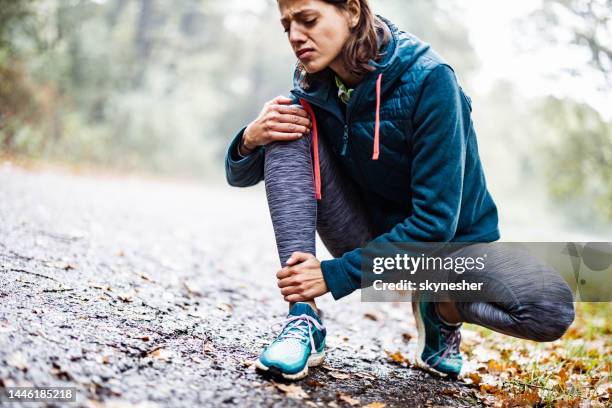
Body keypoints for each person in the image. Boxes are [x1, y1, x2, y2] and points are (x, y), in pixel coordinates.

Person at [224, 0, 575, 381]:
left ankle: (441, 310)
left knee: (548, 307)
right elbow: (243, 177)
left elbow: (435, 224)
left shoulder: (429, 79)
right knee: (286, 121)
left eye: (307, 20)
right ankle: (303, 319)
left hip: (448, 251)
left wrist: (335, 274)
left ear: (353, 11)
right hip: (368, 237)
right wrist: (248, 139)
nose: (295, 36)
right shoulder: (314, 85)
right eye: (287, 26)